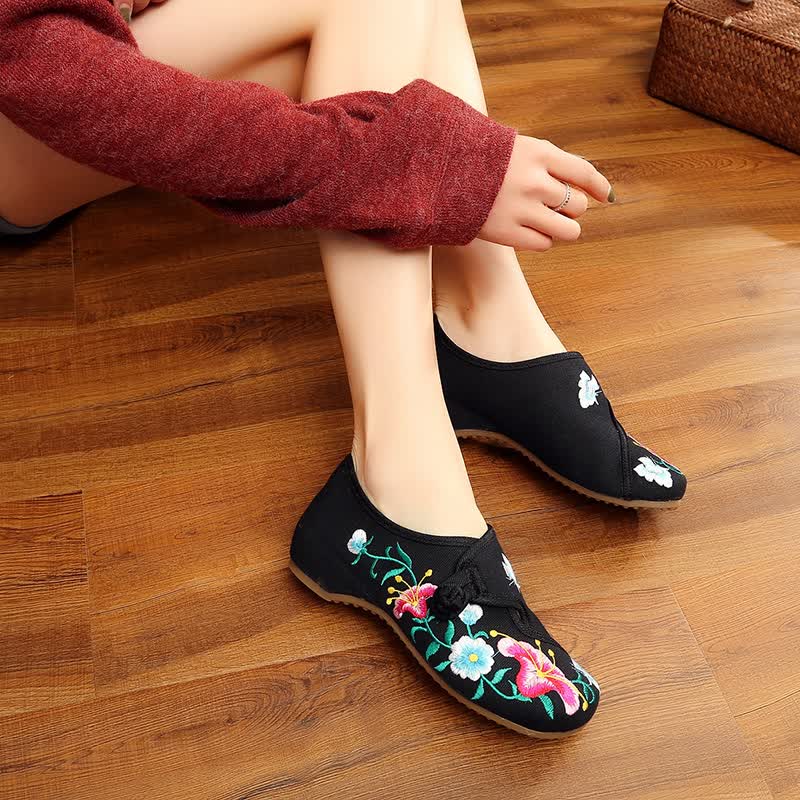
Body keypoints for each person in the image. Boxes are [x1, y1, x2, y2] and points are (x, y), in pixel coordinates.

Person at [0, 0, 685, 736]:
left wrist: (424, 155)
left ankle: (488, 319)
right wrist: (432, 165)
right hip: (32, 90)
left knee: (384, 23)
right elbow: (38, 62)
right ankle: (401, 461)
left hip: (94, 48)